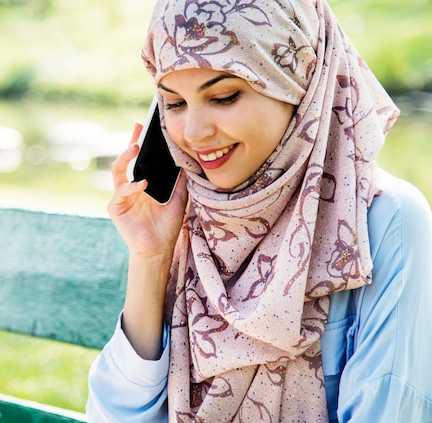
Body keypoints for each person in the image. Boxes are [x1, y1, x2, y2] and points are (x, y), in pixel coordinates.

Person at [87, 0, 432, 422]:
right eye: (174, 104)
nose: (193, 133)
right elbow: (113, 416)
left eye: (224, 96)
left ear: (298, 81)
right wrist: (150, 258)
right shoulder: (190, 218)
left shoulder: (384, 221)